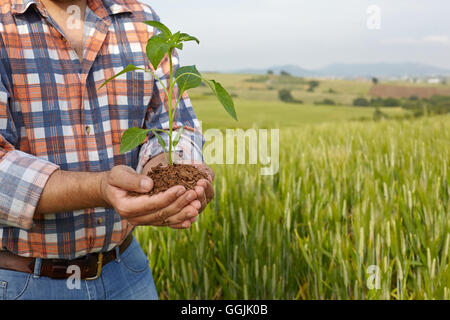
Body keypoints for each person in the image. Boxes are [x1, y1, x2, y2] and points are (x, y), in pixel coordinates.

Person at [0, 0, 214, 300]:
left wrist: (171, 172)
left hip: (125, 270)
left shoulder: (140, 18)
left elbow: (176, 126)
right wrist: (100, 187)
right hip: (23, 281)